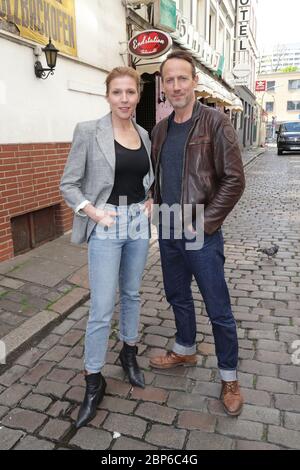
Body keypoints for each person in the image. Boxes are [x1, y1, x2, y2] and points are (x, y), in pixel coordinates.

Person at [149, 51, 245, 416]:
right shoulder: (160, 129)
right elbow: (161, 177)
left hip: (201, 234)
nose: (176, 85)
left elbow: (235, 179)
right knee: (177, 296)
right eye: (169, 80)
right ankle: (185, 349)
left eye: (182, 78)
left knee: (218, 307)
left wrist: (204, 223)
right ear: (164, 86)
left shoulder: (216, 123)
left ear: (194, 82)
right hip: (170, 230)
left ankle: (229, 376)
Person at [60, 67, 154, 428]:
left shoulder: (144, 134)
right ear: (108, 95)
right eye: (118, 92)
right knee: (101, 306)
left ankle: (129, 354)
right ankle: (93, 380)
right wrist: (93, 213)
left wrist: (150, 199)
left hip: (137, 223)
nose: (125, 99)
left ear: (138, 95)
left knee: (131, 294)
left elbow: (147, 177)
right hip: (106, 222)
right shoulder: (88, 131)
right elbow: (69, 184)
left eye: (131, 92)